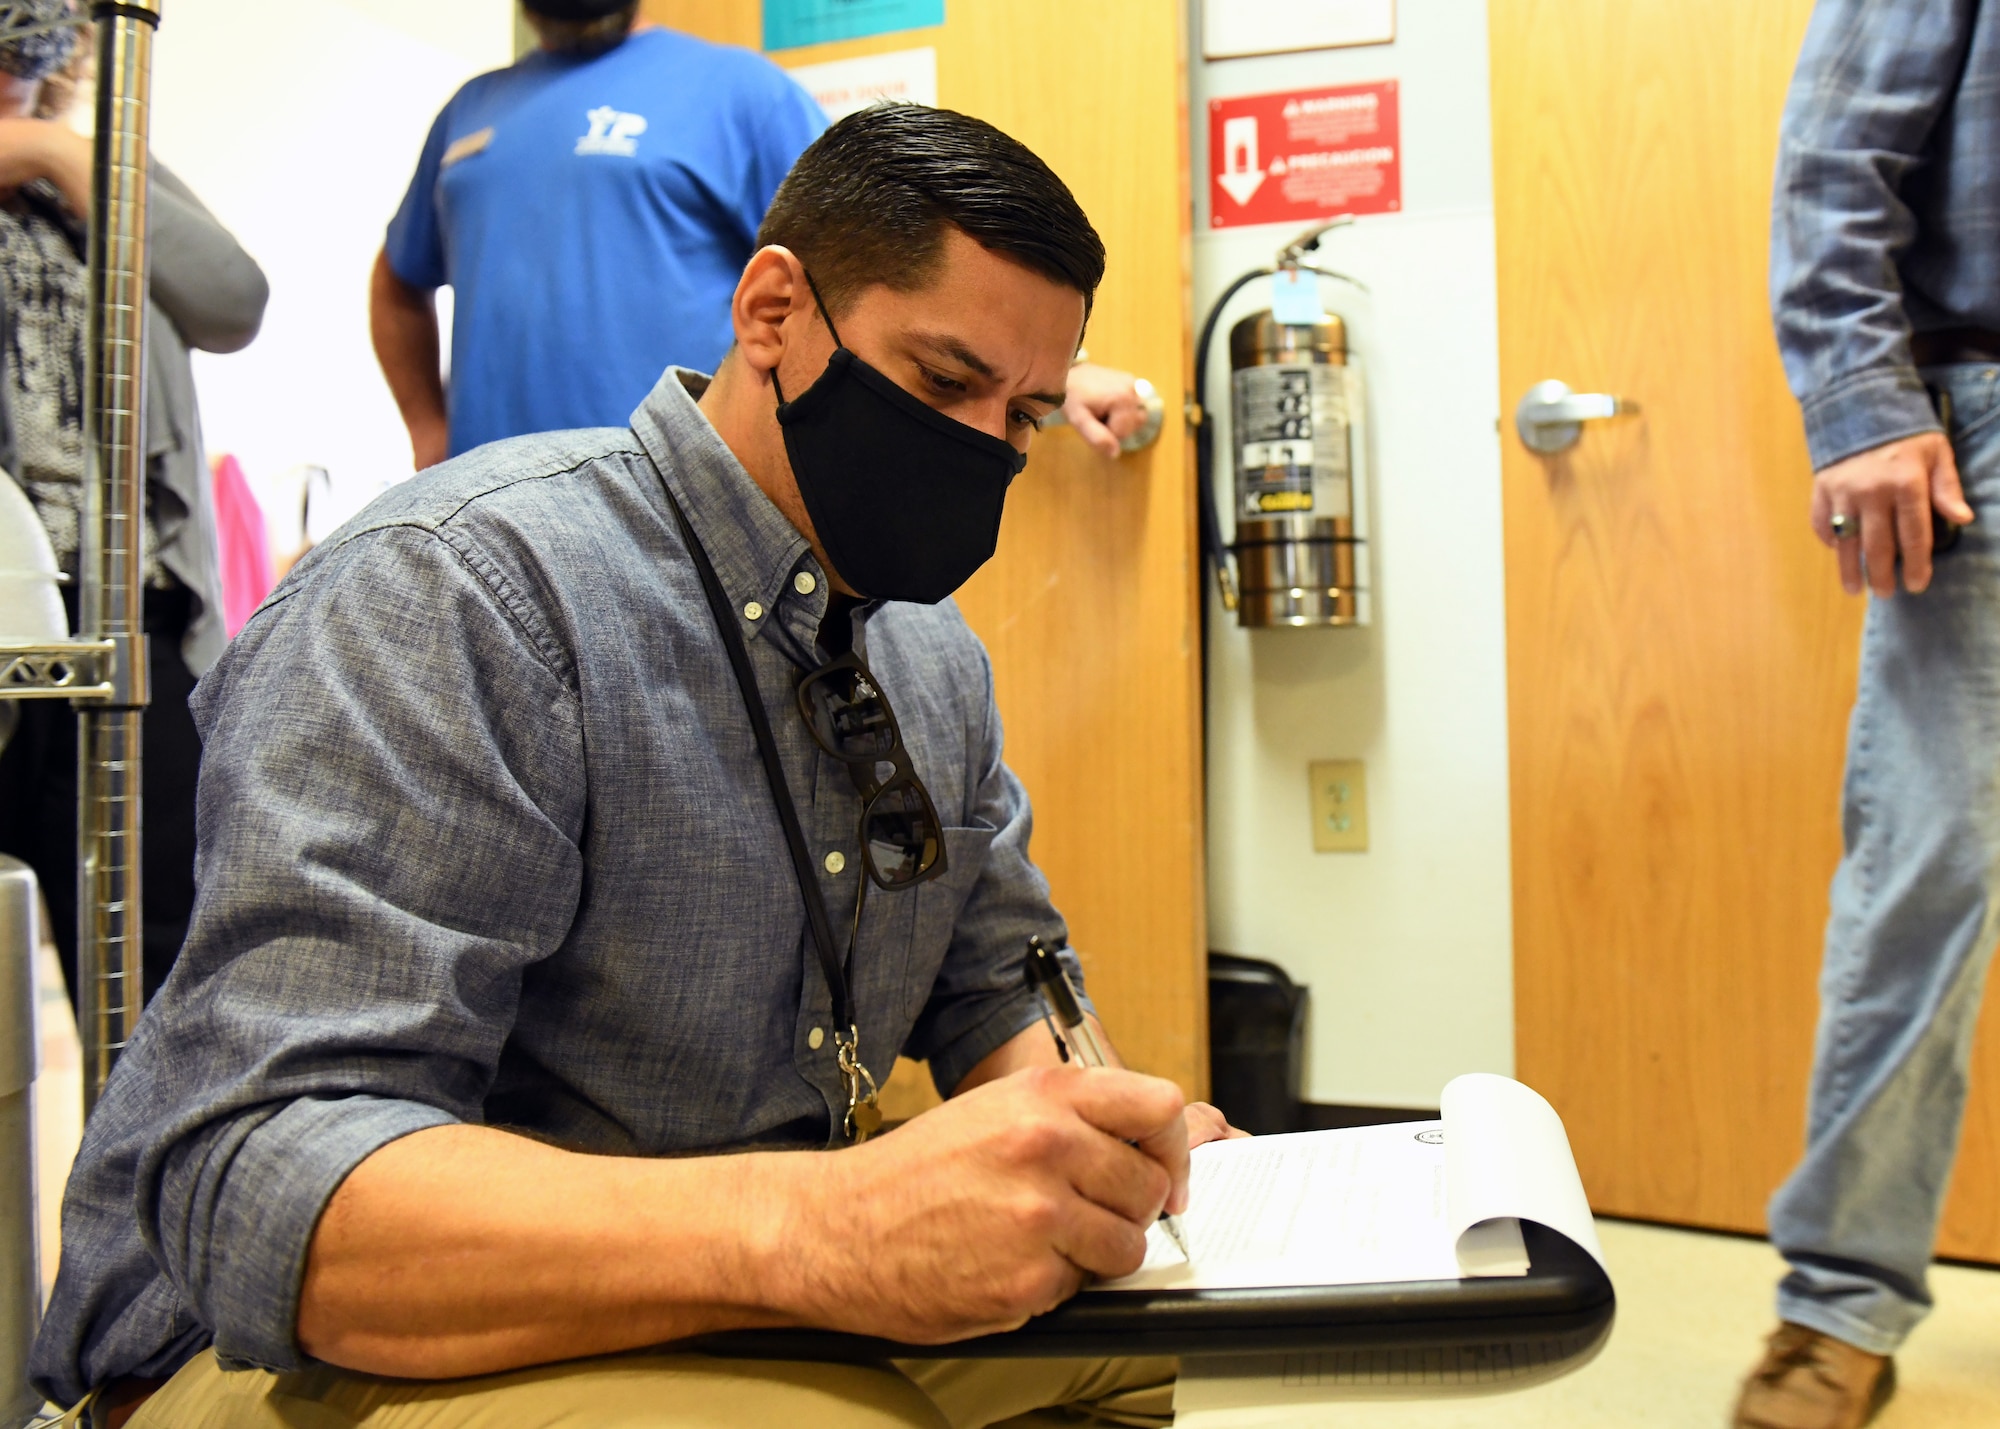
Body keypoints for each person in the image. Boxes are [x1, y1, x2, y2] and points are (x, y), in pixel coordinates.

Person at [31, 103, 1238, 1428]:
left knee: (1268, 1374)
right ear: (774, 312)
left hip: (735, 1288)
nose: (981, 448)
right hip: (288, 1342)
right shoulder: (460, 594)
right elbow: (271, 1189)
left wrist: (1116, 1156)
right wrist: (830, 1226)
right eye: (943, 385)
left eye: (1026, 417)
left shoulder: (929, 662)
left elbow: (999, 999)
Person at [1741, 3, 2000, 1426]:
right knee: (1929, 875)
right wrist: (1861, 400)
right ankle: (1839, 1308)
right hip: (1985, 423)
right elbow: (1837, 155)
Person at [371, 0, 1151, 471]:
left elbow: (883, 252)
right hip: (486, 496)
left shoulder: (737, 91)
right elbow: (399, 277)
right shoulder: (469, 110)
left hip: (657, 503)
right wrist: (427, 430)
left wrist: (1036, 380)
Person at [0, 0, 267, 1009]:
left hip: (121, 617)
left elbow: (231, 300)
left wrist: (61, 158)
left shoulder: (99, 165)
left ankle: (142, 1171)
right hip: (5, 607)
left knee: (160, 963)